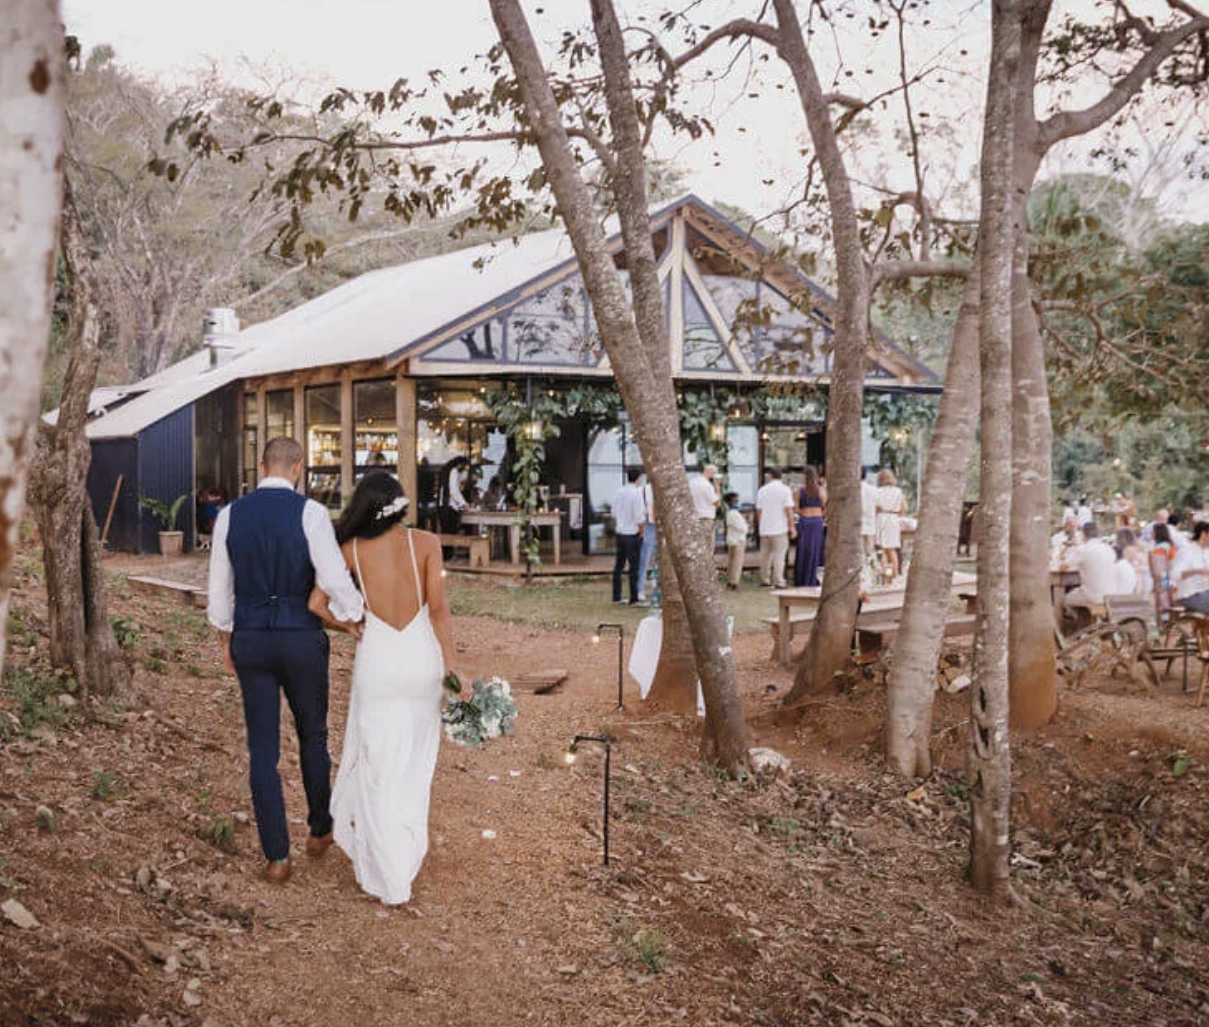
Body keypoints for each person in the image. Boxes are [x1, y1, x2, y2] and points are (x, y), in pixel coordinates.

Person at [206, 437, 365, 884]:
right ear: (298, 467)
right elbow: (333, 578)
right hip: (299, 638)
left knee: (262, 750)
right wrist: (355, 617)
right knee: (313, 735)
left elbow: (219, 591)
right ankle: (319, 830)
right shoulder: (311, 513)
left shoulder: (230, 515)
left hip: (252, 639)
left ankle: (277, 856)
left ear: (261, 466)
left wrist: (225, 640)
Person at [311, 472, 457, 905]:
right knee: (413, 760)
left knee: (376, 761)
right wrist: (454, 668)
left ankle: (385, 867)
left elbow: (316, 605)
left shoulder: (351, 549)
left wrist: (352, 625)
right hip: (420, 662)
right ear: (401, 505)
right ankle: (404, 852)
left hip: (378, 658)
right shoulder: (427, 543)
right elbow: (440, 613)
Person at [1061, 521, 1118, 613]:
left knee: (1065, 600)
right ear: (1098, 533)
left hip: (1092, 596)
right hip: (1111, 594)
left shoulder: (1083, 549)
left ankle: (1073, 625)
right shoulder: (1108, 548)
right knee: (1078, 593)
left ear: (1083, 534)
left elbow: (1063, 567)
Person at [755, 468, 795, 588]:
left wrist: (760, 524)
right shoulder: (785, 490)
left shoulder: (762, 490)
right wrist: (792, 527)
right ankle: (778, 580)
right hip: (779, 527)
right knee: (779, 555)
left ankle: (765, 579)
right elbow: (789, 510)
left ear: (770, 476)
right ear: (781, 476)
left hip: (765, 527)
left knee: (765, 555)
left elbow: (759, 510)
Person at [611, 469, 645, 604]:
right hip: (632, 533)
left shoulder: (619, 492)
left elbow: (613, 512)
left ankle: (616, 596)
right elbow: (639, 517)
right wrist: (642, 532)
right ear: (639, 478)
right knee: (634, 567)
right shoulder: (636, 493)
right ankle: (633, 597)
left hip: (620, 532)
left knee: (619, 566)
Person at [793, 464, 827, 587]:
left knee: (803, 549)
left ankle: (802, 577)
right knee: (816, 548)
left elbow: (796, 509)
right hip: (817, 521)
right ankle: (814, 577)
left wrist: (803, 512)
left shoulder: (799, 491)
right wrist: (821, 515)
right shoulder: (821, 491)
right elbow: (826, 507)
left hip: (805, 520)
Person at [1170, 521, 1209, 613]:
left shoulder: (1207, 552)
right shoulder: (1186, 551)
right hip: (1189, 596)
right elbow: (1174, 576)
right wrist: (1197, 571)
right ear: (1203, 534)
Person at [875, 468, 906, 581]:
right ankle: (895, 574)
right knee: (892, 549)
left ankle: (885, 575)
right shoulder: (898, 491)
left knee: (882, 549)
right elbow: (903, 508)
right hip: (893, 518)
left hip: (881, 518)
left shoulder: (877, 491)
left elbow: (875, 508)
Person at [689, 463, 721, 554]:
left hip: (694, 519)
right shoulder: (707, 486)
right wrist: (717, 487)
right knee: (708, 548)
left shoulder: (692, 482)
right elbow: (717, 503)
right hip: (706, 519)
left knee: (696, 548)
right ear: (711, 473)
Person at [636, 475, 658, 603]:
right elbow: (639, 510)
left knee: (659, 559)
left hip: (660, 526)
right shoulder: (642, 491)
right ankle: (640, 589)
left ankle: (656, 586)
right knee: (644, 559)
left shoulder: (662, 490)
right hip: (647, 525)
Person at [724, 491, 748, 591]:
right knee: (737, 562)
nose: (737, 502)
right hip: (738, 540)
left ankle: (730, 581)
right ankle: (734, 583)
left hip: (732, 539)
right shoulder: (734, 514)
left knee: (731, 561)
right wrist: (746, 526)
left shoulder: (730, 513)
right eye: (735, 500)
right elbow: (743, 528)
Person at [860, 470, 877, 562]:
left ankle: (862, 574)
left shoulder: (854, 490)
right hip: (871, 522)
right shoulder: (873, 489)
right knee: (870, 552)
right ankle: (871, 573)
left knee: (860, 552)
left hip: (858, 523)